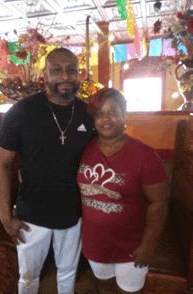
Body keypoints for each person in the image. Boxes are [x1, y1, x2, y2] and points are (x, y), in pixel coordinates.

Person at [0, 47, 94, 294]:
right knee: (28, 277)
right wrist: (6, 217)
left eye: (72, 70)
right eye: (56, 70)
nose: (65, 76)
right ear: (44, 74)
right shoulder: (20, 113)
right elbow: (2, 166)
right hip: (31, 215)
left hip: (73, 213)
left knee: (68, 273)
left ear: (79, 74)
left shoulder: (87, 113)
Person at [77, 88, 168, 294]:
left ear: (124, 114)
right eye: (99, 114)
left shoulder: (146, 155)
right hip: (95, 243)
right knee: (104, 287)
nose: (106, 119)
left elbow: (159, 203)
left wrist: (148, 245)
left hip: (132, 246)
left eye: (113, 112)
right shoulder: (83, 148)